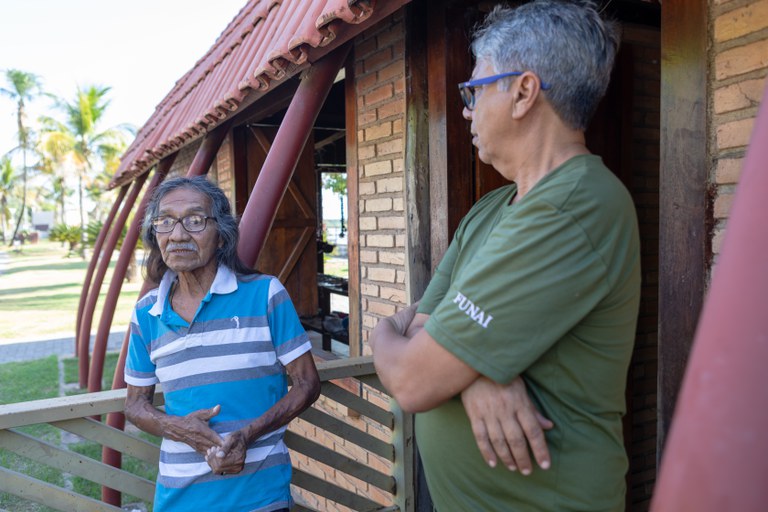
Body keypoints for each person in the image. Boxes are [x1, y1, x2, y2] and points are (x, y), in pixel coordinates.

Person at [369, 1, 640, 511]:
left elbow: (411, 377)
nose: (466, 110)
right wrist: (473, 375)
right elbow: (422, 323)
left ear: (522, 93)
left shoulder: (574, 206)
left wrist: (393, 340)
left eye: (474, 91)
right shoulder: (490, 208)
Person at [124, 176, 320, 512]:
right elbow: (135, 405)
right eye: (165, 221)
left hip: (260, 496)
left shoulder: (265, 295)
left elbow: (307, 383)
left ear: (221, 236)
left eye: (195, 220)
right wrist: (180, 428)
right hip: (178, 499)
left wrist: (248, 435)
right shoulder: (146, 314)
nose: (178, 234)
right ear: (155, 236)